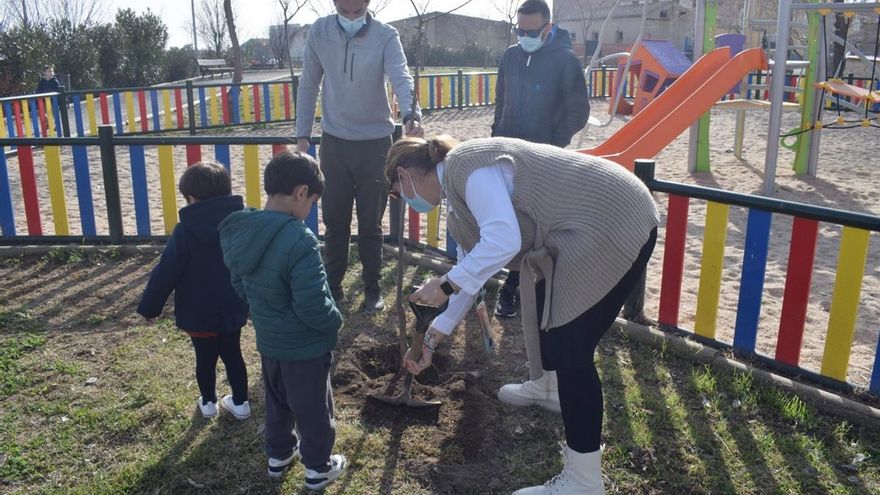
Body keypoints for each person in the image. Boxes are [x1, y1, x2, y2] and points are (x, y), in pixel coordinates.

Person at [385, 136, 658, 494]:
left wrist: (446, 284)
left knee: (570, 348)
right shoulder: (458, 204)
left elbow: (503, 241)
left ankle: (584, 481)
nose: (407, 202)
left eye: (398, 194)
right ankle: (550, 388)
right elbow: (472, 274)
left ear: (404, 174)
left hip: (613, 216)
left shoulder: (465, 166)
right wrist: (433, 338)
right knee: (548, 308)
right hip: (577, 230)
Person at [218, 151, 346, 489]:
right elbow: (312, 303)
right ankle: (318, 467)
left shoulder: (244, 231)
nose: (310, 210)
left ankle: (279, 454)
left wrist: (265, 309)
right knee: (314, 409)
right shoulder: (299, 239)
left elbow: (239, 284)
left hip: (270, 341)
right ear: (301, 193)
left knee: (277, 402)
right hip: (304, 348)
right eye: (312, 202)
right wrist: (334, 321)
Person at [295, 0, 424, 314]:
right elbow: (309, 83)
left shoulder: (386, 35)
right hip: (334, 142)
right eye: (344, 11)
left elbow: (401, 77)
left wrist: (411, 115)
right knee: (334, 220)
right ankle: (334, 287)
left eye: (357, 11)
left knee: (371, 222)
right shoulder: (319, 32)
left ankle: (372, 288)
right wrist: (302, 134)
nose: (351, 17)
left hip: (375, 143)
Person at [491, 0, 589, 321]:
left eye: (532, 32)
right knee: (511, 221)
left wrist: (553, 144)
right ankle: (512, 285)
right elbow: (501, 101)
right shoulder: (510, 56)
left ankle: (529, 289)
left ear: (548, 27)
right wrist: (496, 138)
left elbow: (578, 111)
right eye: (519, 30)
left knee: (538, 227)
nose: (525, 37)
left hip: (545, 158)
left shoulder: (565, 61)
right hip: (507, 154)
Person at [137, 162, 250, 421]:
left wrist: (150, 308)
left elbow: (167, 271)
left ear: (191, 198)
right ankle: (241, 403)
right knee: (233, 354)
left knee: (205, 357)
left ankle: (208, 402)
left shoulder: (186, 231)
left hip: (198, 311)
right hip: (232, 306)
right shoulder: (241, 224)